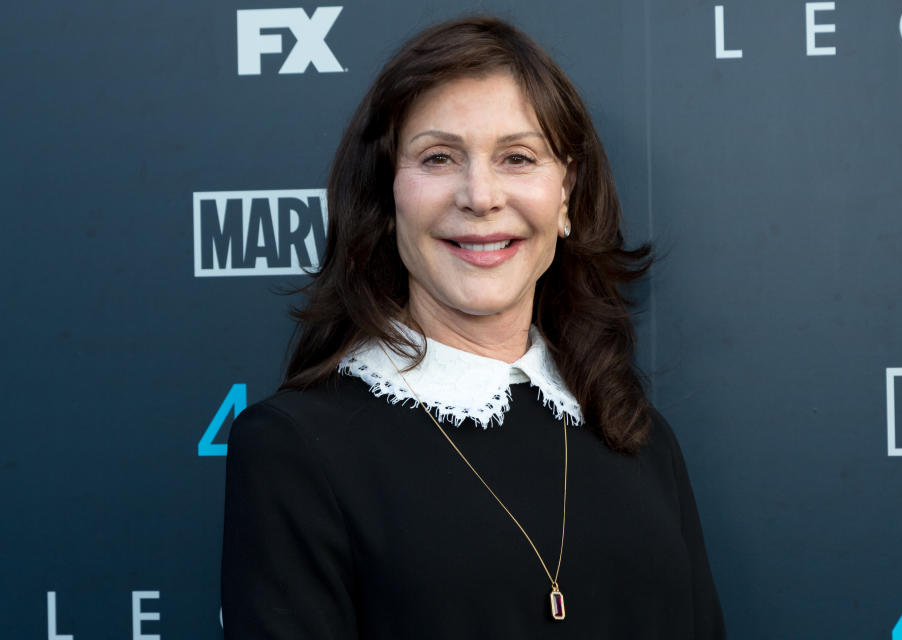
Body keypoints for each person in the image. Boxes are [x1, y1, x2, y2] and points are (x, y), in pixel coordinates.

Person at [221, 15, 725, 639]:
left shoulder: (636, 434)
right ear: (387, 198)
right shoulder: (295, 448)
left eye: (518, 157)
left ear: (565, 195)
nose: (480, 195)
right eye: (438, 158)